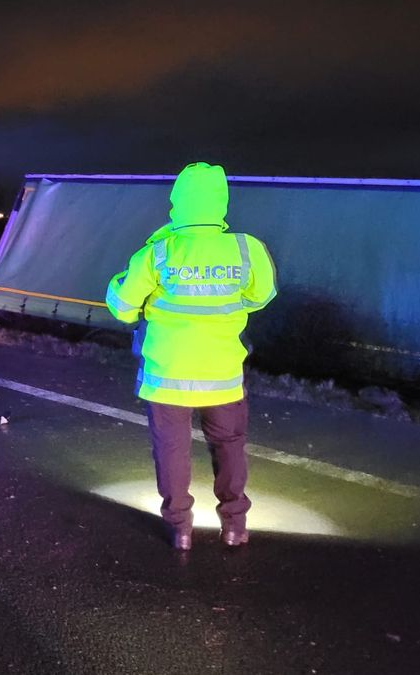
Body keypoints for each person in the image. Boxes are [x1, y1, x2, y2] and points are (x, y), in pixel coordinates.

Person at [105, 162, 277, 551]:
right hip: (222, 373)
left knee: (172, 451)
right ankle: (234, 525)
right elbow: (261, 296)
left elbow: (121, 306)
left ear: (177, 201)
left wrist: (124, 286)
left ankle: (181, 529)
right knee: (230, 446)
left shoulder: (158, 252)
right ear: (221, 201)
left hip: (167, 376)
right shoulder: (247, 248)